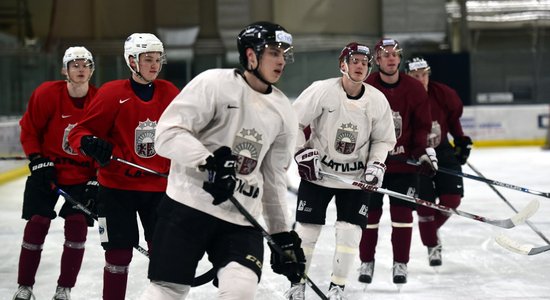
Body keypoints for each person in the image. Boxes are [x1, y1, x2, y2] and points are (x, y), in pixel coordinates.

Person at [138, 21, 305, 300]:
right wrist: (208, 161)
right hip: (188, 206)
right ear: (251, 55)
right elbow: (166, 134)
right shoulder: (213, 83)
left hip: (241, 218)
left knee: (240, 290)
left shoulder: (283, 111)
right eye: (274, 52)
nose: (281, 60)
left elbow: (274, 178)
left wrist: (281, 234)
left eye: (284, 53)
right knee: (167, 290)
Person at [67, 33, 179, 300]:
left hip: (160, 189)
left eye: (158, 59)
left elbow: (188, 130)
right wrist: (89, 143)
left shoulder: (170, 92)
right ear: (132, 61)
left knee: (163, 254)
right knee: (118, 254)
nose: (154, 65)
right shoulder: (112, 93)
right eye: (148, 59)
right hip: (117, 189)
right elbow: (79, 132)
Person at [288, 42, 396, 299]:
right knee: (306, 232)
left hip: (356, 180)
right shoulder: (322, 90)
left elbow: (383, 140)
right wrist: (300, 152)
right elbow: (292, 123)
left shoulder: (377, 100)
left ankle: (338, 287)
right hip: (318, 175)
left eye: (364, 62)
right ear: (343, 65)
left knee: (349, 234)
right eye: (354, 60)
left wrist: (376, 165)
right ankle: (297, 283)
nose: (360, 66)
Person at [14, 46, 99, 300]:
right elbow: (29, 129)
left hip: (82, 176)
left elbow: (107, 140)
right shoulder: (47, 94)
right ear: (65, 69)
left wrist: (97, 176)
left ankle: (64, 289)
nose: (81, 69)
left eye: (85, 64)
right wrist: (37, 159)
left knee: (76, 226)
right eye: (75, 65)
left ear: (92, 70)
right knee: (37, 223)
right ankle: (25, 287)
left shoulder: (100, 100)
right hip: (47, 172)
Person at [358, 38, 438, 287]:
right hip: (372, 165)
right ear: (377, 59)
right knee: (368, 218)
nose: (391, 58)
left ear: (399, 59)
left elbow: (422, 126)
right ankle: (366, 261)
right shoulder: (366, 85)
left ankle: (400, 263)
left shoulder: (414, 88)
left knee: (402, 217)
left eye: (395, 54)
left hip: (404, 166)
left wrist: (422, 153)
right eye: (386, 54)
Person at [405, 57, 473, 267]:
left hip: (442, 151)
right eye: (415, 76)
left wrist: (460, 140)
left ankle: (430, 231)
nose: (421, 79)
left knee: (452, 200)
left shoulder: (442, 94)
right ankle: (432, 245)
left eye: (424, 74)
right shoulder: (401, 96)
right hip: (417, 155)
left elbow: (452, 120)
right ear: (407, 76)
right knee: (425, 207)